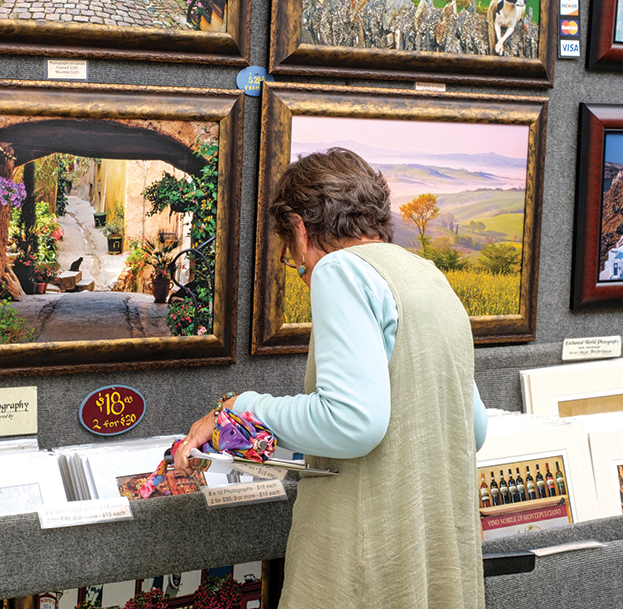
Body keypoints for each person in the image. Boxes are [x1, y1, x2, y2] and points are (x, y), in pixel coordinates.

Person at [176, 148, 488, 608]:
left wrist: (241, 407)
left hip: (364, 555)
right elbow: (472, 427)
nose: (297, 267)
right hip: (434, 556)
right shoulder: (428, 275)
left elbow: (351, 422)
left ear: (300, 229)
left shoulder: (340, 270)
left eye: (291, 255)